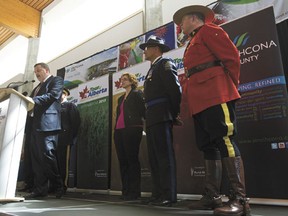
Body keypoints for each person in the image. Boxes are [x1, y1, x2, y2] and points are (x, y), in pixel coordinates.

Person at [173, 5, 251, 216]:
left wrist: (226, 86)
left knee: (224, 139)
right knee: (207, 145)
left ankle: (240, 200)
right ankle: (212, 196)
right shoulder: (191, 42)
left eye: (182, 21)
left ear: (193, 19)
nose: (180, 26)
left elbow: (232, 58)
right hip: (199, 100)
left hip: (216, 93)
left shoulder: (210, 31)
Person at [140, 36, 182, 206]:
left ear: (156, 49)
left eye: (147, 47)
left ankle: (168, 195)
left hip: (162, 114)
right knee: (154, 158)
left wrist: (173, 113)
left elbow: (175, 91)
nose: (145, 51)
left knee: (165, 157)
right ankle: (157, 193)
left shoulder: (165, 64)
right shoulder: (152, 68)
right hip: (152, 116)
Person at [24, 62, 64, 199]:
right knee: (36, 159)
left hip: (48, 125)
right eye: (35, 72)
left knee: (48, 157)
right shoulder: (37, 87)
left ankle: (58, 186)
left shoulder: (56, 80)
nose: (36, 73)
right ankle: (40, 189)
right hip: (34, 127)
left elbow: (53, 95)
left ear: (46, 70)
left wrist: (32, 99)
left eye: (38, 70)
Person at [114, 73, 145, 200]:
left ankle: (134, 192)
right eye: (121, 80)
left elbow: (143, 111)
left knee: (132, 159)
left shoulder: (137, 94)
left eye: (125, 79)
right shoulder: (121, 98)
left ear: (132, 81)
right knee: (123, 161)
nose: (122, 81)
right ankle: (125, 190)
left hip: (132, 129)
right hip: (119, 131)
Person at [56, 88, 81, 192]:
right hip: (54, 139)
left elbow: (75, 123)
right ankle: (55, 185)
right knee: (55, 162)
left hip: (65, 139)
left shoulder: (70, 106)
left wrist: (70, 137)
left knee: (63, 163)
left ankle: (62, 185)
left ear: (65, 94)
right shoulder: (54, 106)